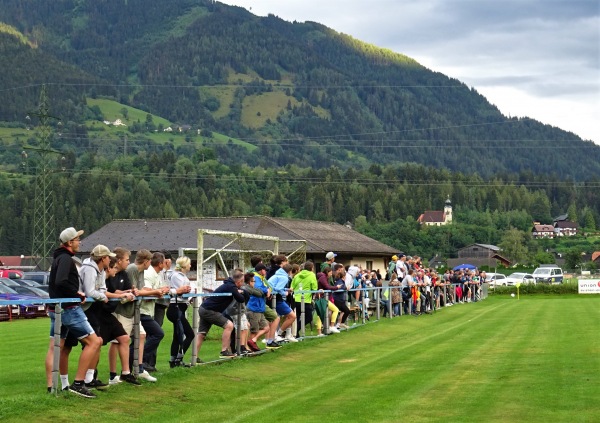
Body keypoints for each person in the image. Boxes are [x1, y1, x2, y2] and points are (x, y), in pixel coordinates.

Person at [49, 227, 102, 398]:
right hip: (69, 308)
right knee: (94, 342)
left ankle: (55, 387)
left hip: (58, 309)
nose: (80, 242)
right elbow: (61, 282)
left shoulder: (60, 258)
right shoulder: (65, 259)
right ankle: (78, 383)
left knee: (57, 347)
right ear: (70, 242)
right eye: (78, 239)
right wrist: (76, 293)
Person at [196, 269, 246, 359]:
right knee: (229, 326)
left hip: (204, 308)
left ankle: (194, 357)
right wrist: (242, 292)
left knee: (202, 334)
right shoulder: (231, 286)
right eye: (242, 282)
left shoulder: (228, 285)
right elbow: (241, 299)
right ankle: (224, 351)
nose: (242, 284)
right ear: (239, 281)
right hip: (209, 310)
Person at [125, 249, 157, 382]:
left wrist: (150, 291)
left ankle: (139, 368)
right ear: (146, 261)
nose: (150, 263)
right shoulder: (132, 269)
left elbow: (141, 289)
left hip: (135, 310)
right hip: (126, 310)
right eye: (150, 261)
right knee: (121, 341)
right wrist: (156, 291)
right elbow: (136, 291)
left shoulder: (142, 271)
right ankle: (120, 373)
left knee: (142, 336)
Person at [138, 252, 169, 372]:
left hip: (148, 310)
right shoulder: (149, 273)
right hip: (142, 310)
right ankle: (140, 359)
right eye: (165, 261)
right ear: (160, 264)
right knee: (157, 333)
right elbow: (146, 292)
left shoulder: (156, 274)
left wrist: (161, 291)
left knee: (144, 336)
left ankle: (142, 362)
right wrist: (158, 292)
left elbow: (155, 291)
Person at [166, 256, 194, 367]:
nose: (191, 266)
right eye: (189, 264)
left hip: (179, 307)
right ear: (184, 265)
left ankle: (173, 360)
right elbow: (181, 291)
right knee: (190, 334)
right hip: (176, 307)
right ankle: (178, 359)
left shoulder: (180, 275)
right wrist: (188, 292)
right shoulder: (177, 276)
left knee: (177, 335)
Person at [247, 264, 275, 350]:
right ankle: (249, 348)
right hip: (254, 307)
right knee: (254, 330)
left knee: (266, 328)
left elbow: (267, 287)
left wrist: (268, 289)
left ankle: (253, 341)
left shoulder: (261, 278)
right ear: (261, 270)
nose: (266, 272)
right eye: (265, 270)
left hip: (260, 307)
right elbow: (258, 288)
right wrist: (267, 290)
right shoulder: (256, 277)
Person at [268, 262, 297, 342]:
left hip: (271, 297)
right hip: (276, 299)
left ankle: (275, 335)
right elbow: (278, 288)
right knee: (292, 316)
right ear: (290, 271)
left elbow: (275, 286)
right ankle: (278, 334)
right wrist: (285, 293)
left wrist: (286, 289)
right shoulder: (284, 277)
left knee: (274, 318)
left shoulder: (277, 275)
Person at [290, 261, 318, 337]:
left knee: (297, 317)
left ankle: (296, 334)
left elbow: (292, 286)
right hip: (305, 299)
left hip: (295, 299)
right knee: (309, 317)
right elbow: (314, 288)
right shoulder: (312, 275)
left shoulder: (297, 275)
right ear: (312, 268)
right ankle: (296, 330)